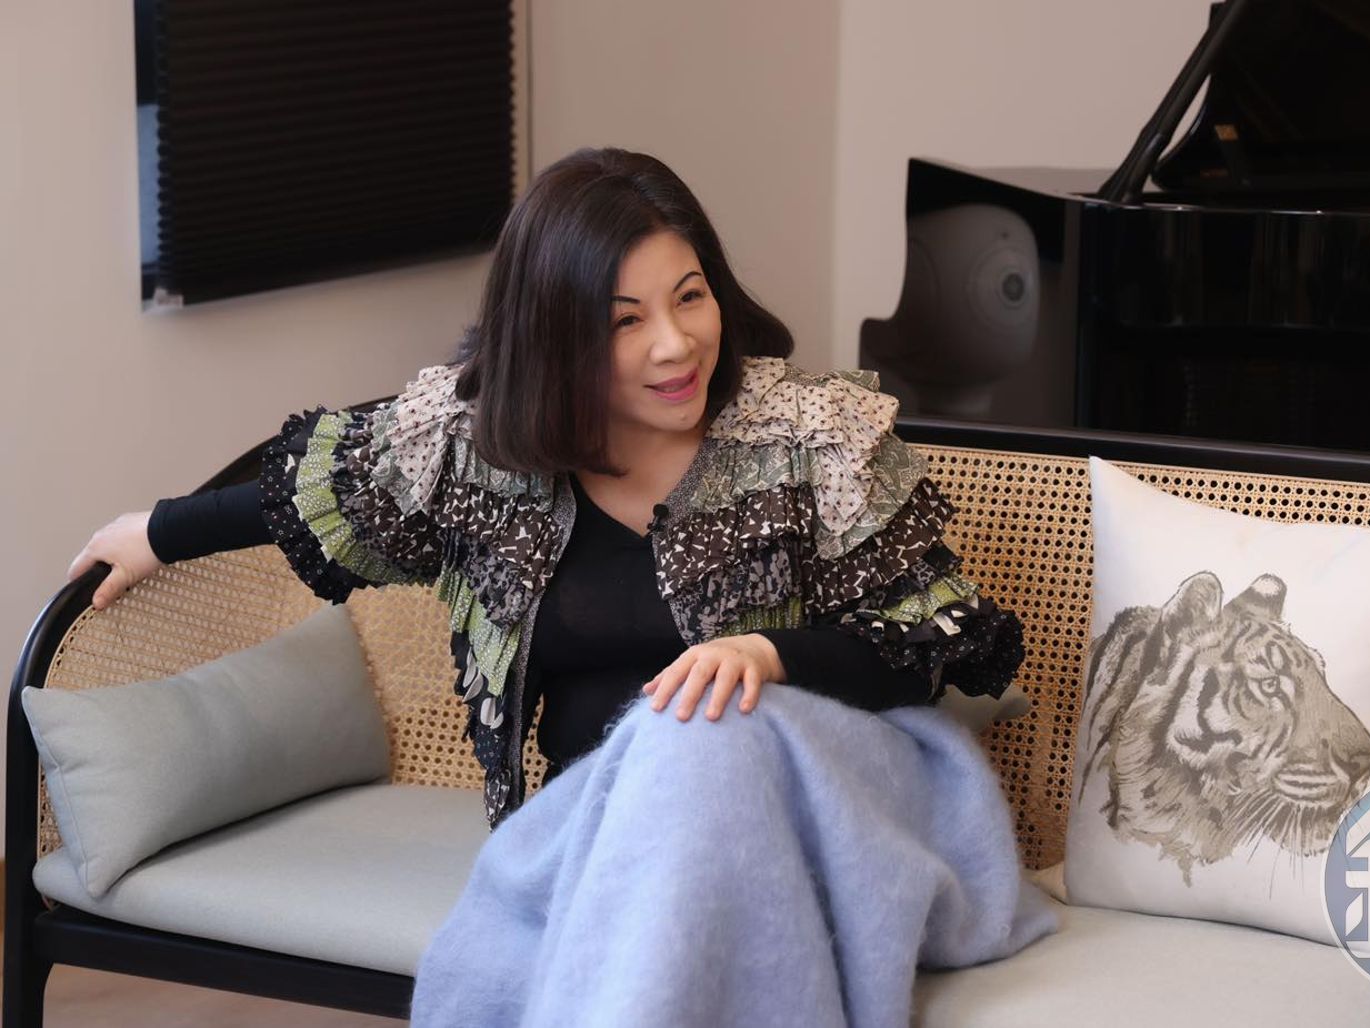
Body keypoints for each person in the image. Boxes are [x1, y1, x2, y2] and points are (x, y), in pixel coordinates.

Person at [67, 147, 1044, 1023]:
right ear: (553, 336)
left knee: (697, 727)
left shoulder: (810, 437)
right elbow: (326, 493)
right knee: (668, 764)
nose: (675, 343)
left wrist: (765, 654)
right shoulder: (475, 452)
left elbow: (929, 647)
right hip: (601, 827)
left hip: (815, 793)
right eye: (625, 321)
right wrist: (159, 531)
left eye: (690, 296)